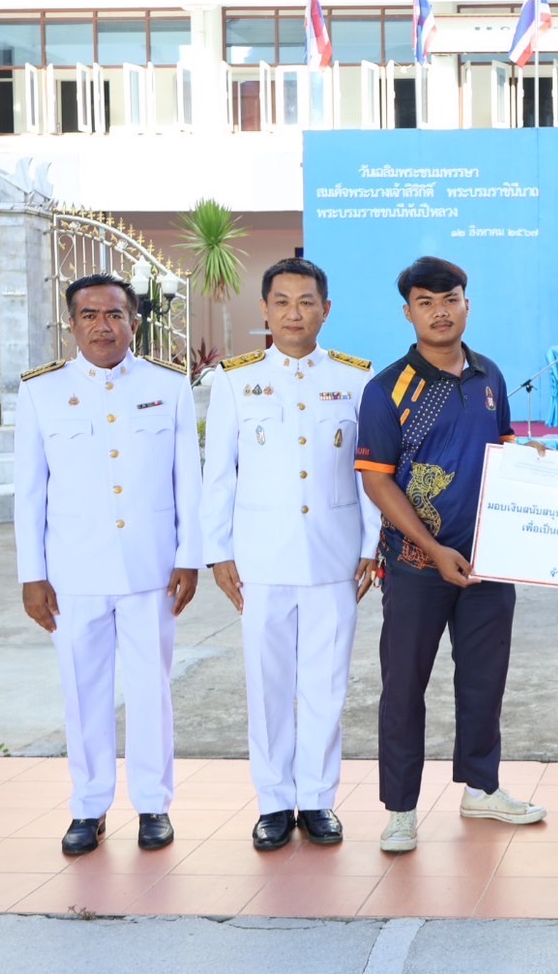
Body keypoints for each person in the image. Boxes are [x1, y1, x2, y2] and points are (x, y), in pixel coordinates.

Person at [354, 257, 548, 853]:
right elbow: (378, 481)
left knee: (484, 680)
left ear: (467, 304)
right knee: (404, 686)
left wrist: (533, 461)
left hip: (491, 561)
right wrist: (433, 549)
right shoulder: (388, 388)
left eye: (451, 298)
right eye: (425, 301)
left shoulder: (488, 375)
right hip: (418, 566)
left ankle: (482, 788)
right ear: (408, 311)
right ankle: (401, 808)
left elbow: (504, 448)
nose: (440, 310)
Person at [14, 273, 200, 855]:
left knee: (151, 690)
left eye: (115, 314)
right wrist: (32, 573)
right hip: (73, 573)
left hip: (151, 568)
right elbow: (28, 491)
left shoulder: (167, 386)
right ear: (71, 324)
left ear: (134, 322)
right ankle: (88, 807)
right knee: (82, 690)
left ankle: (152, 805)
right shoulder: (41, 392)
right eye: (89, 314)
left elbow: (186, 481)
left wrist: (188, 557)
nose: (103, 325)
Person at [201, 258, 381, 851]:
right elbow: (218, 476)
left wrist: (371, 545)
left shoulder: (358, 379)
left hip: (334, 558)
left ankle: (318, 799)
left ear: (325, 310)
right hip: (260, 559)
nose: (294, 313)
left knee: (326, 684)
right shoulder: (233, 380)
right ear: (265, 310)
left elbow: (370, 471)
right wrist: (217, 552)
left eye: (306, 302)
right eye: (282, 302)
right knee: (268, 682)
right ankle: (274, 801)